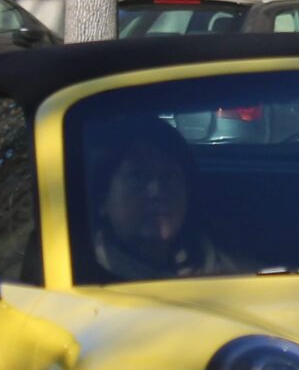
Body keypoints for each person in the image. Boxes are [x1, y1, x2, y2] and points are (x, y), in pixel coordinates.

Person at [86, 117, 235, 279]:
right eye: (137, 177)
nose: (157, 191)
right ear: (102, 199)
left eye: (170, 176)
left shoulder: (226, 269)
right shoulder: (82, 273)